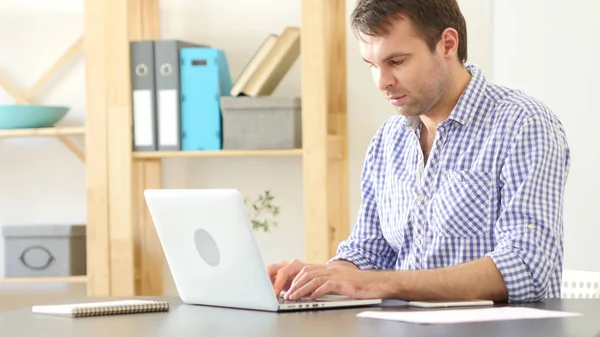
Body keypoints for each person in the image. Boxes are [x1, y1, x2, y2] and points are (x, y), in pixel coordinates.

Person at [267, 0, 570, 303]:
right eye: (373, 65)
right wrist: (321, 278)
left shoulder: (524, 125)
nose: (382, 82)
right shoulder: (388, 139)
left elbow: (527, 267)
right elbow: (369, 251)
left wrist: (380, 284)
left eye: (396, 62)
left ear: (448, 44)